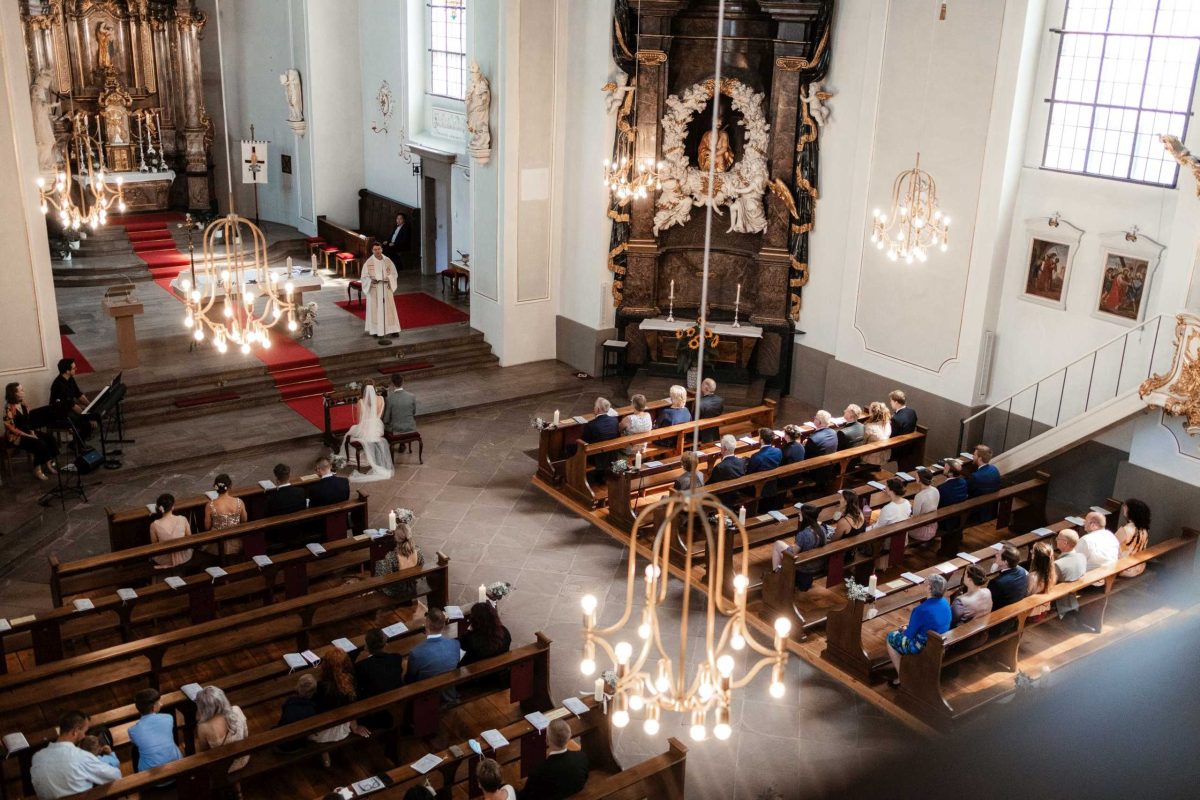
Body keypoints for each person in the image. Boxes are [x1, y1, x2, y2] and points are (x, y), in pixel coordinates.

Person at [30, 710, 122, 799]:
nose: (84, 736)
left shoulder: (37, 758)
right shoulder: (81, 757)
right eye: (84, 732)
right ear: (75, 731)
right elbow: (116, 775)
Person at [885, 574, 951, 687]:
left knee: (891, 637)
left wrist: (903, 630)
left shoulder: (921, 609)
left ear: (930, 588)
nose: (925, 586)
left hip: (922, 646)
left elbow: (909, 635)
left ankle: (903, 677)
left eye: (927, 584)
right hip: (940, 642)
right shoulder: (945, 602)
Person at [310, 646, 371, 744]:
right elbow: (351, 705)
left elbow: (316, 709)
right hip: (342, 728)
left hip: (324, 730)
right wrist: (354, 727)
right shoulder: (351, 681)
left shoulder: (322, 687)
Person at [520, 718, 589, 800]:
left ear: (547, 740)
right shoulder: (581, 757)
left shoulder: (539, 771)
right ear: (569, 737)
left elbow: (526, 796)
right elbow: (584, 778)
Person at [404, 608, 461, 702]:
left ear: (426, 624)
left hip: (426, 695)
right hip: (448, 691)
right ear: (443, 625)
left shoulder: (416, 653)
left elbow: (410, 679)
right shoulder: (455, 644)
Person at [4, 382, 58, 480]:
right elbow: (12, 428)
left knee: (49, 438)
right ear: (14, 393)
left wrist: (32, 433)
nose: (23, 391)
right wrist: (31, 436)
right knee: (38, 443)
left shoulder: (23, 404)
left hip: (27, 431)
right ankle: (37, 469)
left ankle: (48, 463)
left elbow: (29, 422)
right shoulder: (8, 408)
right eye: (21, 390)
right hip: (16, 436)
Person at [341, 383, 394, 483]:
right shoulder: (381, 399)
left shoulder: (361, 401)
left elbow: (359, 421)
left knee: (349, 434)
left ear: (363, 391)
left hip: (366, 428)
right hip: (378, 427)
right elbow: (380, 415)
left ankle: (353, 459)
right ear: (374, 389)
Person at [354, 628, 404, 729]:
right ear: (385, 644)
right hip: (395, 698)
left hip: (372, 706)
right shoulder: (396, 658)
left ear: (366, 647)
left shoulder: (362, 666)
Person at [770, 503, 826, 590]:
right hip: (817, 564)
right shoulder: (822, 528)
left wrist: (790, 548)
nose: (799, 514)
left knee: (778, 544)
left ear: (805, 517)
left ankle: (776, 574)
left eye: (800, 513)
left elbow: (792, 554)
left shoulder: (803, 534)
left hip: (803, 567)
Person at [195, 686, 250, 773]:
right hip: (243, 756)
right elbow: (246, 734)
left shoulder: (203, 727)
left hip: (223, 765)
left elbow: (204, 752)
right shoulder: (236, 709)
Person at [128, 688, 183, 773]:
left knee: (135, 750)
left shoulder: (132, 730)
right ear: (153, 707)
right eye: (158, 703)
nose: (161, 704)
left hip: (150, 774)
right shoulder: (168, 718)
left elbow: (136, 743)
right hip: (177, 767)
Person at [374, 508, 424, 599]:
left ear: (396, 538)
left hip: (397, 592)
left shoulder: (392, 556)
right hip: (413, 587)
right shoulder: (419, 551)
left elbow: (384, 578)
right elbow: (421, 568)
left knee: (379, 566)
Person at [362, 243, 402, 339]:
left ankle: (393, 329)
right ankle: (376, 330)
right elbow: (364, 277)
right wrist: (370, 280)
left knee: (390, 309)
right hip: (374, 289)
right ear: (372, 251)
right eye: (375, 249)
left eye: (379, 249)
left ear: (382, 249)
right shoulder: (368, 262)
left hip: (386, 288)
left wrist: (389, 278)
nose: (377, 251)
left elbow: (394, 273)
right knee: (375, 310)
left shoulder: (387, 260)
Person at [49, 358, 93, 440]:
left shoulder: (70, 378)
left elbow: (78, 394)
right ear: (67, 371)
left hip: (69, 409)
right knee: (86, 423)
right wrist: (88, 416)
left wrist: (91, 405)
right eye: (74, 368)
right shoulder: (58, 385)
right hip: (60, 413)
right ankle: (75, 445)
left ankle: (79, 443)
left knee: (89, 420)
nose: (76, 369)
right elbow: (72, 405)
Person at [935, 459, 970, 558]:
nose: (943, 469)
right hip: (959, 517)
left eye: (945, 468)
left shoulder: (942, 488)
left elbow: (938, 505)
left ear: (950, 473)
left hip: (945, 520)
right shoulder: (963, 482)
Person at [205, 473, 248, 555]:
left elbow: (207, 527)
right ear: (229, 487)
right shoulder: (239, 502)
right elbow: (244, 520)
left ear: (215, 487)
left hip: (217, 541)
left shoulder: (210, 505)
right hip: (236, 538)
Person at [459, 601, 512, 666]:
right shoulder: (505, 631)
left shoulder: (471, 639)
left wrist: (470, 631)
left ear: (474, 620)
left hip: (479, 673)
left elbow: (461, 644)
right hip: (501, 670)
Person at [149, 493, 193, 570]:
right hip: (183, 555)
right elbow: (189, 537)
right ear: (172, 507)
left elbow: (154, 544)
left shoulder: (154, 525)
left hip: (165, 558)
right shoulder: (182, 519)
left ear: (159, 508)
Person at [276, 674, 318, 752]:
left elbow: (284, 713)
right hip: (298, 743)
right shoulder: (311, 709)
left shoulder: (290, 702)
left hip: (282, 741)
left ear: (298, 688)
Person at [1053, 529, 1087, 618]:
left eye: (1058, 538)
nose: (1056, 539)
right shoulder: (1082, 557)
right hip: (1073, 592)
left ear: (1065, 543)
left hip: (1061, 599)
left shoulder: (1058, 564)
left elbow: (1051, 584)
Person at [1115, 498, 1151, 578]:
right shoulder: (1144, 529)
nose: (1124, 508)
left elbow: (1111, 545)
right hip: (1139, 566)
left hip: (1125, 568)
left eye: (1126, 508)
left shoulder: (1125, 530)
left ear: (1132, 512)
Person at [988, 543, 1029, 611]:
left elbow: (989, 602)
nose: (996, 555)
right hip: (1017, 608)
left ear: (1005, 562)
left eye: (998, 555)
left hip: (1000, 614)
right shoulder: (1022, 571)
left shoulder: (996, 583)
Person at [1026, 541, 1058, 618]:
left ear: (1036, 557)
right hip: (1043, 610)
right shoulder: (1052, 573)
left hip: (1032, 613)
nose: (1031, 553)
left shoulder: (1033, 577)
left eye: (1032, 552)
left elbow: (1026, 595)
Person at [907, 470, 941, 543]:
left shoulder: (919, 496)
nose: (915, 478)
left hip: (922, 530)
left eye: (916, 477)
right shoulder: (935, 490)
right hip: (934, 525)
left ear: (920, 479)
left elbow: (915, 517)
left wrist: (910, 506)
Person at [860, 401, 892, 467]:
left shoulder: (869, 426)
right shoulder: (887, 423)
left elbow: (863, 441)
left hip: (872, 455)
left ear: (872, 413)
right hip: (885, 453)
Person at [697, 378, 724, 443]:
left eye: (702, 384)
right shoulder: (720, 400)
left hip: (701, 434)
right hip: (715, 431)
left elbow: (694, 419)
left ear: (706, 388)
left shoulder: (700, 403)